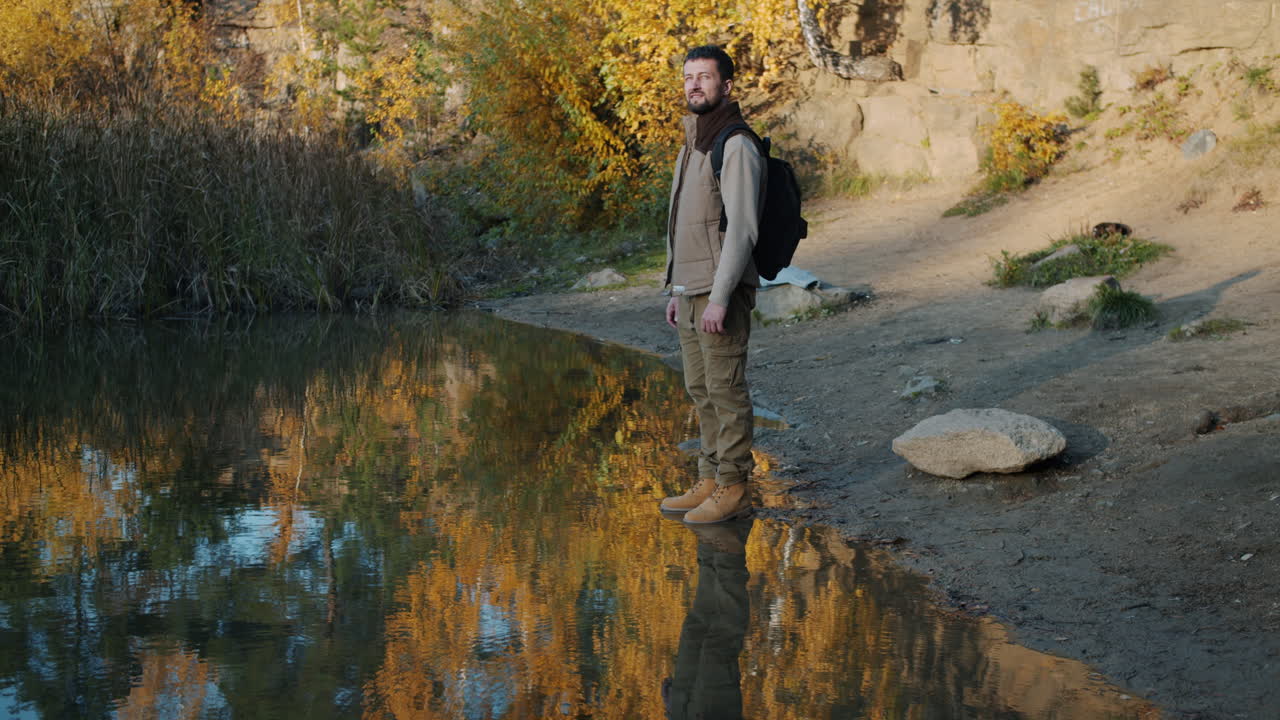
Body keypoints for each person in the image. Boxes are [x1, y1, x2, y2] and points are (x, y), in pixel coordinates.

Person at [659, 45, 764, 525]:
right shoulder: (691, 144)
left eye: (704, 77)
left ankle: (733, 485)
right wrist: (677, 291)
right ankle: (709, 476)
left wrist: (719, 298)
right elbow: (684, 224)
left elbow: (742, 228)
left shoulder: (735, 143)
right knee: (700, 389)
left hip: (719, 291)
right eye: (688, 77)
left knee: (725, 390)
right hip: (691, 289)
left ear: (726, 85)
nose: (694, 85)